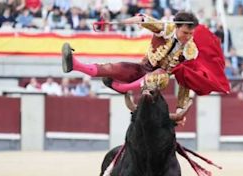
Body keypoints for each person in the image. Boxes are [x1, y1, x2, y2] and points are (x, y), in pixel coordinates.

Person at [61, 11, 230, 114]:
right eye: (186, 32)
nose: (188, 37)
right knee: (112, 68)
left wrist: (180, 108)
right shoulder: (166, 29)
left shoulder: (190, 51)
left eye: (191, 33)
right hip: (142, 69)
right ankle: (75, 65)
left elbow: (185, 80)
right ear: (177, 27)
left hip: (159, 80)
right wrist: (115, 23)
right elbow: (142, 18)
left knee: (157, 75)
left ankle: (120, 87)